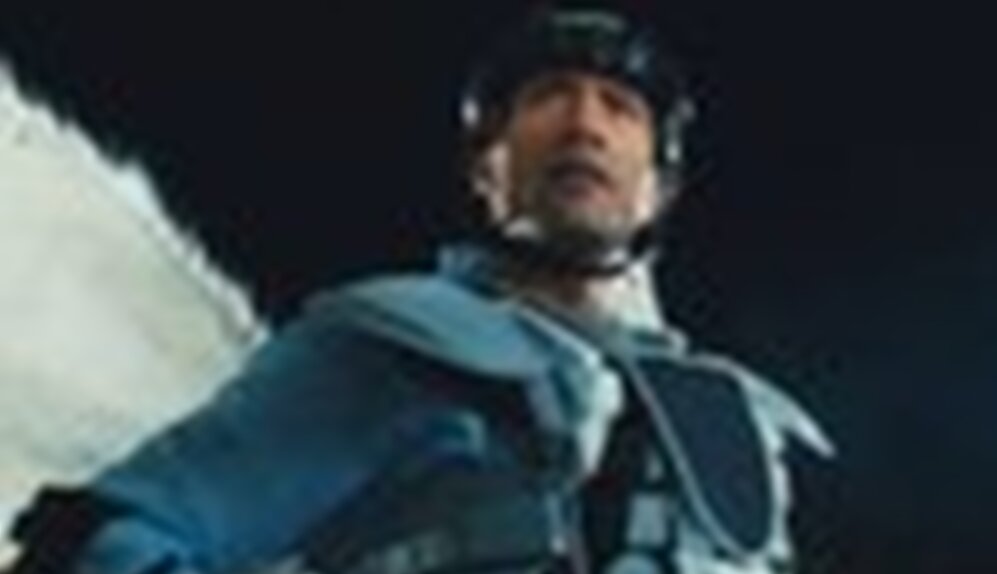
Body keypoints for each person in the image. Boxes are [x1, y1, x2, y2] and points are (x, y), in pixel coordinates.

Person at [10, 7, 833, 574]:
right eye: (548, 99)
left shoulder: (737, 424)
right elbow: (108, 542)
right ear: (487, 167)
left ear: (658, 188)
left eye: (619, 108)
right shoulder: (387, 349)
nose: (585, 124)